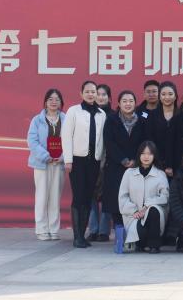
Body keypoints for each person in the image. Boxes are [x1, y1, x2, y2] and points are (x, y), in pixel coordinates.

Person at [61, 80, 107, 248]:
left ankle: (83, 235)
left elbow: (102, 140)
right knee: (78, 197)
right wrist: (68, 160)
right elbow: (66, 136)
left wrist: (102, 160)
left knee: (88, 198)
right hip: (77, 160)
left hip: (94, 161)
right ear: (81, 93)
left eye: (93, 91)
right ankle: (77, 236)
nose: (90, 94)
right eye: (87, 91)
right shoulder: (73, 111)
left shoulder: (102, 113)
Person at [102, 91, 146, 246]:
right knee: (116, 202)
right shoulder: (111, 119)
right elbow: (109, 142)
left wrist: (135, 160)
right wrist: (123, 160)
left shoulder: (141, 120)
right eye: (124, 101)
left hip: (136, 166)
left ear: (135, 103)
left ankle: (134, 235)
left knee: (134, 200)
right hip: (116, 166)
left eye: (131, 101)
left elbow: (144, 143)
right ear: (119, 103)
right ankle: (120, 236)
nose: (128, 104)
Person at [27, 88, 65, 241]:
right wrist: (45, 156)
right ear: (45, 102)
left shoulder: (66, 119)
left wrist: (63, 157)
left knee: (55, 197)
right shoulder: (37, 120)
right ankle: (42, 229)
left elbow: (71, 140)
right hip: (42, 164)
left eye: (57, 99)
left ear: (61, 102)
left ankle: (54, 229)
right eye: (50, 99)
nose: (54, 102)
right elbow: (32, 141)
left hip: (59, 164)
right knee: (42, 196)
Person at [118, 141, 169, 254]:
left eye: (150, 154)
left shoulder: (160, 174)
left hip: (153, 217)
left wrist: (147, 206)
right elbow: (123, 197)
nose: (146, 157)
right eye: (143, 153)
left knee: (154, 210)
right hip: (133, 216)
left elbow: (165, 197)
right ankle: (140, 243)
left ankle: (154, 246)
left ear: (154, 156)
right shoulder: (129, 173)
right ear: (139, 155)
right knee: (140, 235)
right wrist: (135, 211)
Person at [87, 83, 114, 242]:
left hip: (109, 160)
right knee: (91, 195)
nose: (101, 97)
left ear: (109, 98)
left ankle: (104, 231)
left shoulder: (114, 115)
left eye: (104, 94)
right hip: (91, 159)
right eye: (98, 94)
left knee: (105, 196)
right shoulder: (88, 113)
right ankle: (93, 229)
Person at [145, 81, 180, 180]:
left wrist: (172, 165)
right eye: (163, 94)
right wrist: (159, 163)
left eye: (170, 94)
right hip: (157, 165)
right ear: (159, 97)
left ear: (175, 96)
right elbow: (150, 140)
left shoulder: (181, 115)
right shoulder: (152, 115)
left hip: (179, 165)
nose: (167, 97)